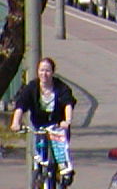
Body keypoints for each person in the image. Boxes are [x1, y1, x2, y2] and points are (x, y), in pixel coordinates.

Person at [11, 55, 76, 185]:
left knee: (60, 151)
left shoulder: (60, 87)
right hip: (39, 126)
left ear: (52, 72)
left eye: (47, 71)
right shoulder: (32, 87)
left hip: (57, 126)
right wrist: (15, 122)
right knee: (39, 152)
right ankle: (39, 171)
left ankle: (65, 172)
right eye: (41, 70)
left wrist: (67, 121)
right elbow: (21, 105)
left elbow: (68, 103)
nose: (44, 74)